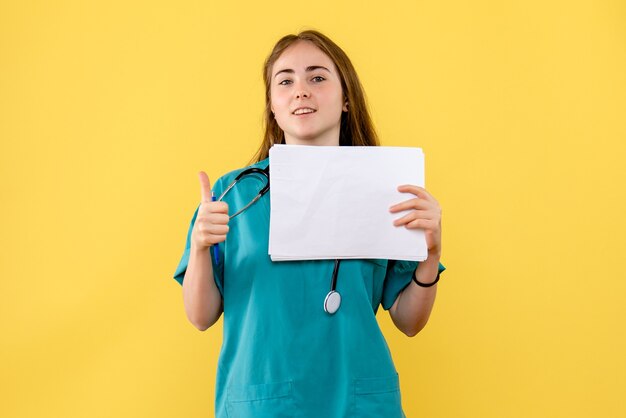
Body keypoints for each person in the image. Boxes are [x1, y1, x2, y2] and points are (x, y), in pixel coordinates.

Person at [173, 30, 446, 418]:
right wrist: (200, 247)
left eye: (317, 77)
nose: (300, 90)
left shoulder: (388, 188)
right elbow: (200, 317)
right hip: (261, 403)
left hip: (361, 404)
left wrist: (430, 254)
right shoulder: (232, 194)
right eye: (285, 80)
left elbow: (409, 321)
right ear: (272, 105)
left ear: (346, 98)